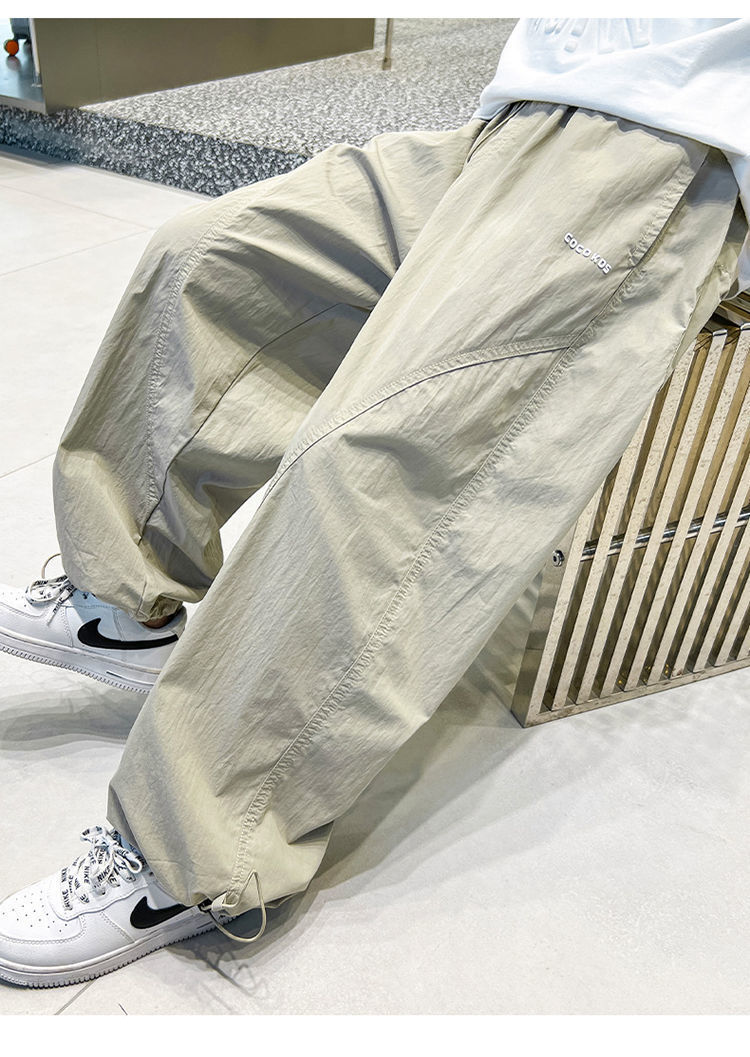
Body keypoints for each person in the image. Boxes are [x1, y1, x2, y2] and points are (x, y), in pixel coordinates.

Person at [0, 17, 748, 989]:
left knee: (374, 460)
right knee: (207, 254)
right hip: (531, 112)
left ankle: (199, 851)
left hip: (669, 159)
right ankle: (122, 603)